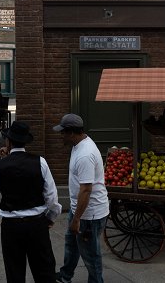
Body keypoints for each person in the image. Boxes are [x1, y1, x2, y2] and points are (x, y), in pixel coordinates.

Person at [0, 121, 62, 282]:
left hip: (11, 226)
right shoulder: (40, 162)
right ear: (25, 141)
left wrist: (5, 162)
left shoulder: (0, 166)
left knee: (14, 271)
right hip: (36, 224)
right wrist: (50, 218)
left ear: (9, 141)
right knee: (44, 270)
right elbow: (52, 198)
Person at [54, 114, 108, 283]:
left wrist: (77, 218)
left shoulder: (85, 154)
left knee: (91, 256)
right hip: (79, 210)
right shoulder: (79, 144)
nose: (61, 135)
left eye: (63, 132)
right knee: (71, 244)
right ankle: (65, 275)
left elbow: (86, 190)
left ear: (71, 133)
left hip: (88, 215)